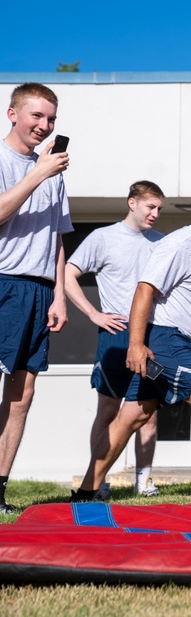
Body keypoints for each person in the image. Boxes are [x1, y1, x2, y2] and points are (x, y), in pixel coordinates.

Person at [73, 187, 191, 500]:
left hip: (180, 341)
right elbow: (145, 290)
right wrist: (135, 344)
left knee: (133, 415)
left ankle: (87, 489)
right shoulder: (181, 244)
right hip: (164, 338)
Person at [65, 181, 165, 499]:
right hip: (116, 334)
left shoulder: (161, 243)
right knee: (108, 410)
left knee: (147, 411)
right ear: (132, 203)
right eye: (151, 207)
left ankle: (144, 481)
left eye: (159, 208)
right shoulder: (103, 238)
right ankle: (99, 480)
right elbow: (68, 274)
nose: (156, 213)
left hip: (150, 335)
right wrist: (94, 314)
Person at [0, 83, 71, 514]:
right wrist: (36, 176)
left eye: (51, 120)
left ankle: (0, 488)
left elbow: (59, 240)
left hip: (39, 289)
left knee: (22, 393)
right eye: (36, 117)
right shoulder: (14, 164)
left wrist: (59, 296)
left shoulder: (53, 171)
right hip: (2, 278)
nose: (44, 127)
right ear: (12, 114)